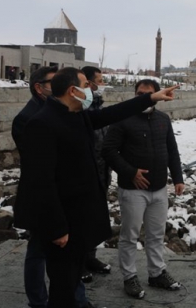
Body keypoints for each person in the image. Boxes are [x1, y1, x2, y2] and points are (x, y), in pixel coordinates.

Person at [13, 68, 178, 308]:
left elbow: (112, 113)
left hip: (78, 216)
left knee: (72, 276)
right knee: (62, 282)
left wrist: (151, 98)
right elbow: (41, 182)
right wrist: (57, 227)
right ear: (72, 91)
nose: (91, 89)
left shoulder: (75, 114)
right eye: (86, 85)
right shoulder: (42, 123)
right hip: (61, 221)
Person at [13, 65, 95, 308]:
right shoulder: (32, 120)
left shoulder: (70, 112)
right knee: (40, 254)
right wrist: (56, 222)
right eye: (53, 82)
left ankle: (77, 299)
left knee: (68, 261)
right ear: (40, 88)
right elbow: (40, 175)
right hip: (46, 204)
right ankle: (39, 301)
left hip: (68, 202)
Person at [101, 79, 185, 299]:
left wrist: (178, 178)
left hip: (159, 188)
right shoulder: (122, 119)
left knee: (156, 235)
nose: (143, 97)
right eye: (139, 93)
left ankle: (156, 273)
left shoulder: (163, 120)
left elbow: (172, 150)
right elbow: (108, 150)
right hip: (132, 190)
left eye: (148, 93)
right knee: (129, 236)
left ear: (157, 95)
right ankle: (129, 277)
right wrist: (130, 172)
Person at [80, 66, 112, 279]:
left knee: (95, 218)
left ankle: (90, 257)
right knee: (81, 219)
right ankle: (78, 262)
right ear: (88, 84)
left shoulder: (100, 109)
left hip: (102, 172)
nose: (102, 85)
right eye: (99, 81)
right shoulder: (81, 111)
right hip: (85, 175)